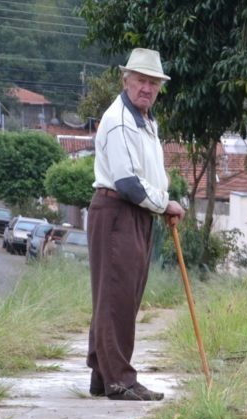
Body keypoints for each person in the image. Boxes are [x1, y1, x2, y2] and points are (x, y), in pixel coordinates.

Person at [86, 48, 185, 401]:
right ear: (126, 80)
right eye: (141, 80)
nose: (147, 87)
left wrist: (160, 205)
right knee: (117, 297)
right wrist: (165, 204)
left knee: (120, 296)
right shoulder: (120, 120)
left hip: (135, 213)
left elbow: (147, 175)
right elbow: (127, 183)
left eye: (153, 82)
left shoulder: (146, 120)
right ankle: (120, 381)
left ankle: (103, 375)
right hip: (116, 210)